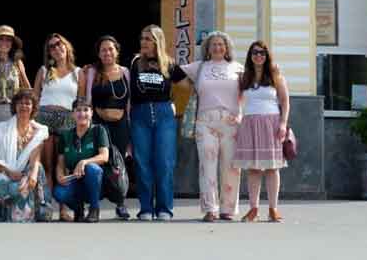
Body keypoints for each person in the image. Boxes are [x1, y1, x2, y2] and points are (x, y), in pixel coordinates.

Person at [180, 31, 243, 222]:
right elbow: (173, 72)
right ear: (207, 48)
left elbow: (246, 92)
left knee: (231, 167)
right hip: (205, 121)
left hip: (231, 121)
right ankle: (211, 208)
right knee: (207, 165)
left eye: (221, 44)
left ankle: (228, 209)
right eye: (213, 44)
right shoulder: (199, 67)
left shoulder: (237, 68)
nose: (217, 48)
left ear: (227, 48)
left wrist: (241, 114)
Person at [129, 24, 188, 221]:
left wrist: (175, 105)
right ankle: (145, 208)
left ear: (157, 41)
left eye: (148, 39)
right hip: (140, 114)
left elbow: (189, 85)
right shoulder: (136, 62)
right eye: (142, 38)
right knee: (142, 162)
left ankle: (164, 208)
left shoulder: (169, 64)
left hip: (164, 114)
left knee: (164, 162)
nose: (143, 42)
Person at [235, 40, 290, 223]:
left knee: (272, 168)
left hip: (271, 123)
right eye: (255, 53)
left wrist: (283, 123)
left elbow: (284, 102)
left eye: (262, 53)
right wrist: (238, 117)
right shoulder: (244, 77)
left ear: (267, 56)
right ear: (250, 57)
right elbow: (239, 101)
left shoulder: (276, 76)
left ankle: (273, 209)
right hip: (249, 123)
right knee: (253, 169)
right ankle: (253, 209)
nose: (259, 56)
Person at [78, 35, 131, 220]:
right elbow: (86, 99)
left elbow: (129, 102)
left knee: (119, 164)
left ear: (117, 51)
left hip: (121, 124)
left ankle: (121, 203)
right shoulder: (92, 71)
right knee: (98, 162)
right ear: (98, 54)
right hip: (100, 125)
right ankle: (93, 205)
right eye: (103, 50)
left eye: (110, 49)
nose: (107, 52)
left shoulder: (125, 72)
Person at [0, 89, 52, 222]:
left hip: (22, 177)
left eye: (27, 103)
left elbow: (35, 158)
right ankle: (2, 209)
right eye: (20, 103)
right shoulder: (1, 129)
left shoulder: (39, 132)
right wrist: (8, 172)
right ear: (14, 106)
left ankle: (34, 210)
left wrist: (32, 175)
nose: (24, 106)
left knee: (35, 173)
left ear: (33, 107)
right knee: (16, 188)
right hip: (1, 174)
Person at [33, 33, 80, 220]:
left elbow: (81, 100)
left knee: (65, 166)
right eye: (52, 46)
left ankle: (64, 208)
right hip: (44, 117)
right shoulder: (44, 71)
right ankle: (47, 208)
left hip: (67, 118)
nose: (56, 48)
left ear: (67, 46)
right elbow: (35, 97)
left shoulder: (78, 73)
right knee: (47, 165)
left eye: (59, 44)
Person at [53, 98, 109, 223]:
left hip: (95, 180)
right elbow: (60, 162)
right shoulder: (65, 135)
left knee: (92, 169)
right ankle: (78, 209)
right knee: (58, 193)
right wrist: (60, 175)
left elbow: (104, 156)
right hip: (75, 178)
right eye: (78, 110)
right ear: (73, 114)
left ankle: (94, 209)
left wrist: (84, 162)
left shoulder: (98, 130)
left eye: (86, 110)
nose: (82, 113)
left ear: (91, 113)